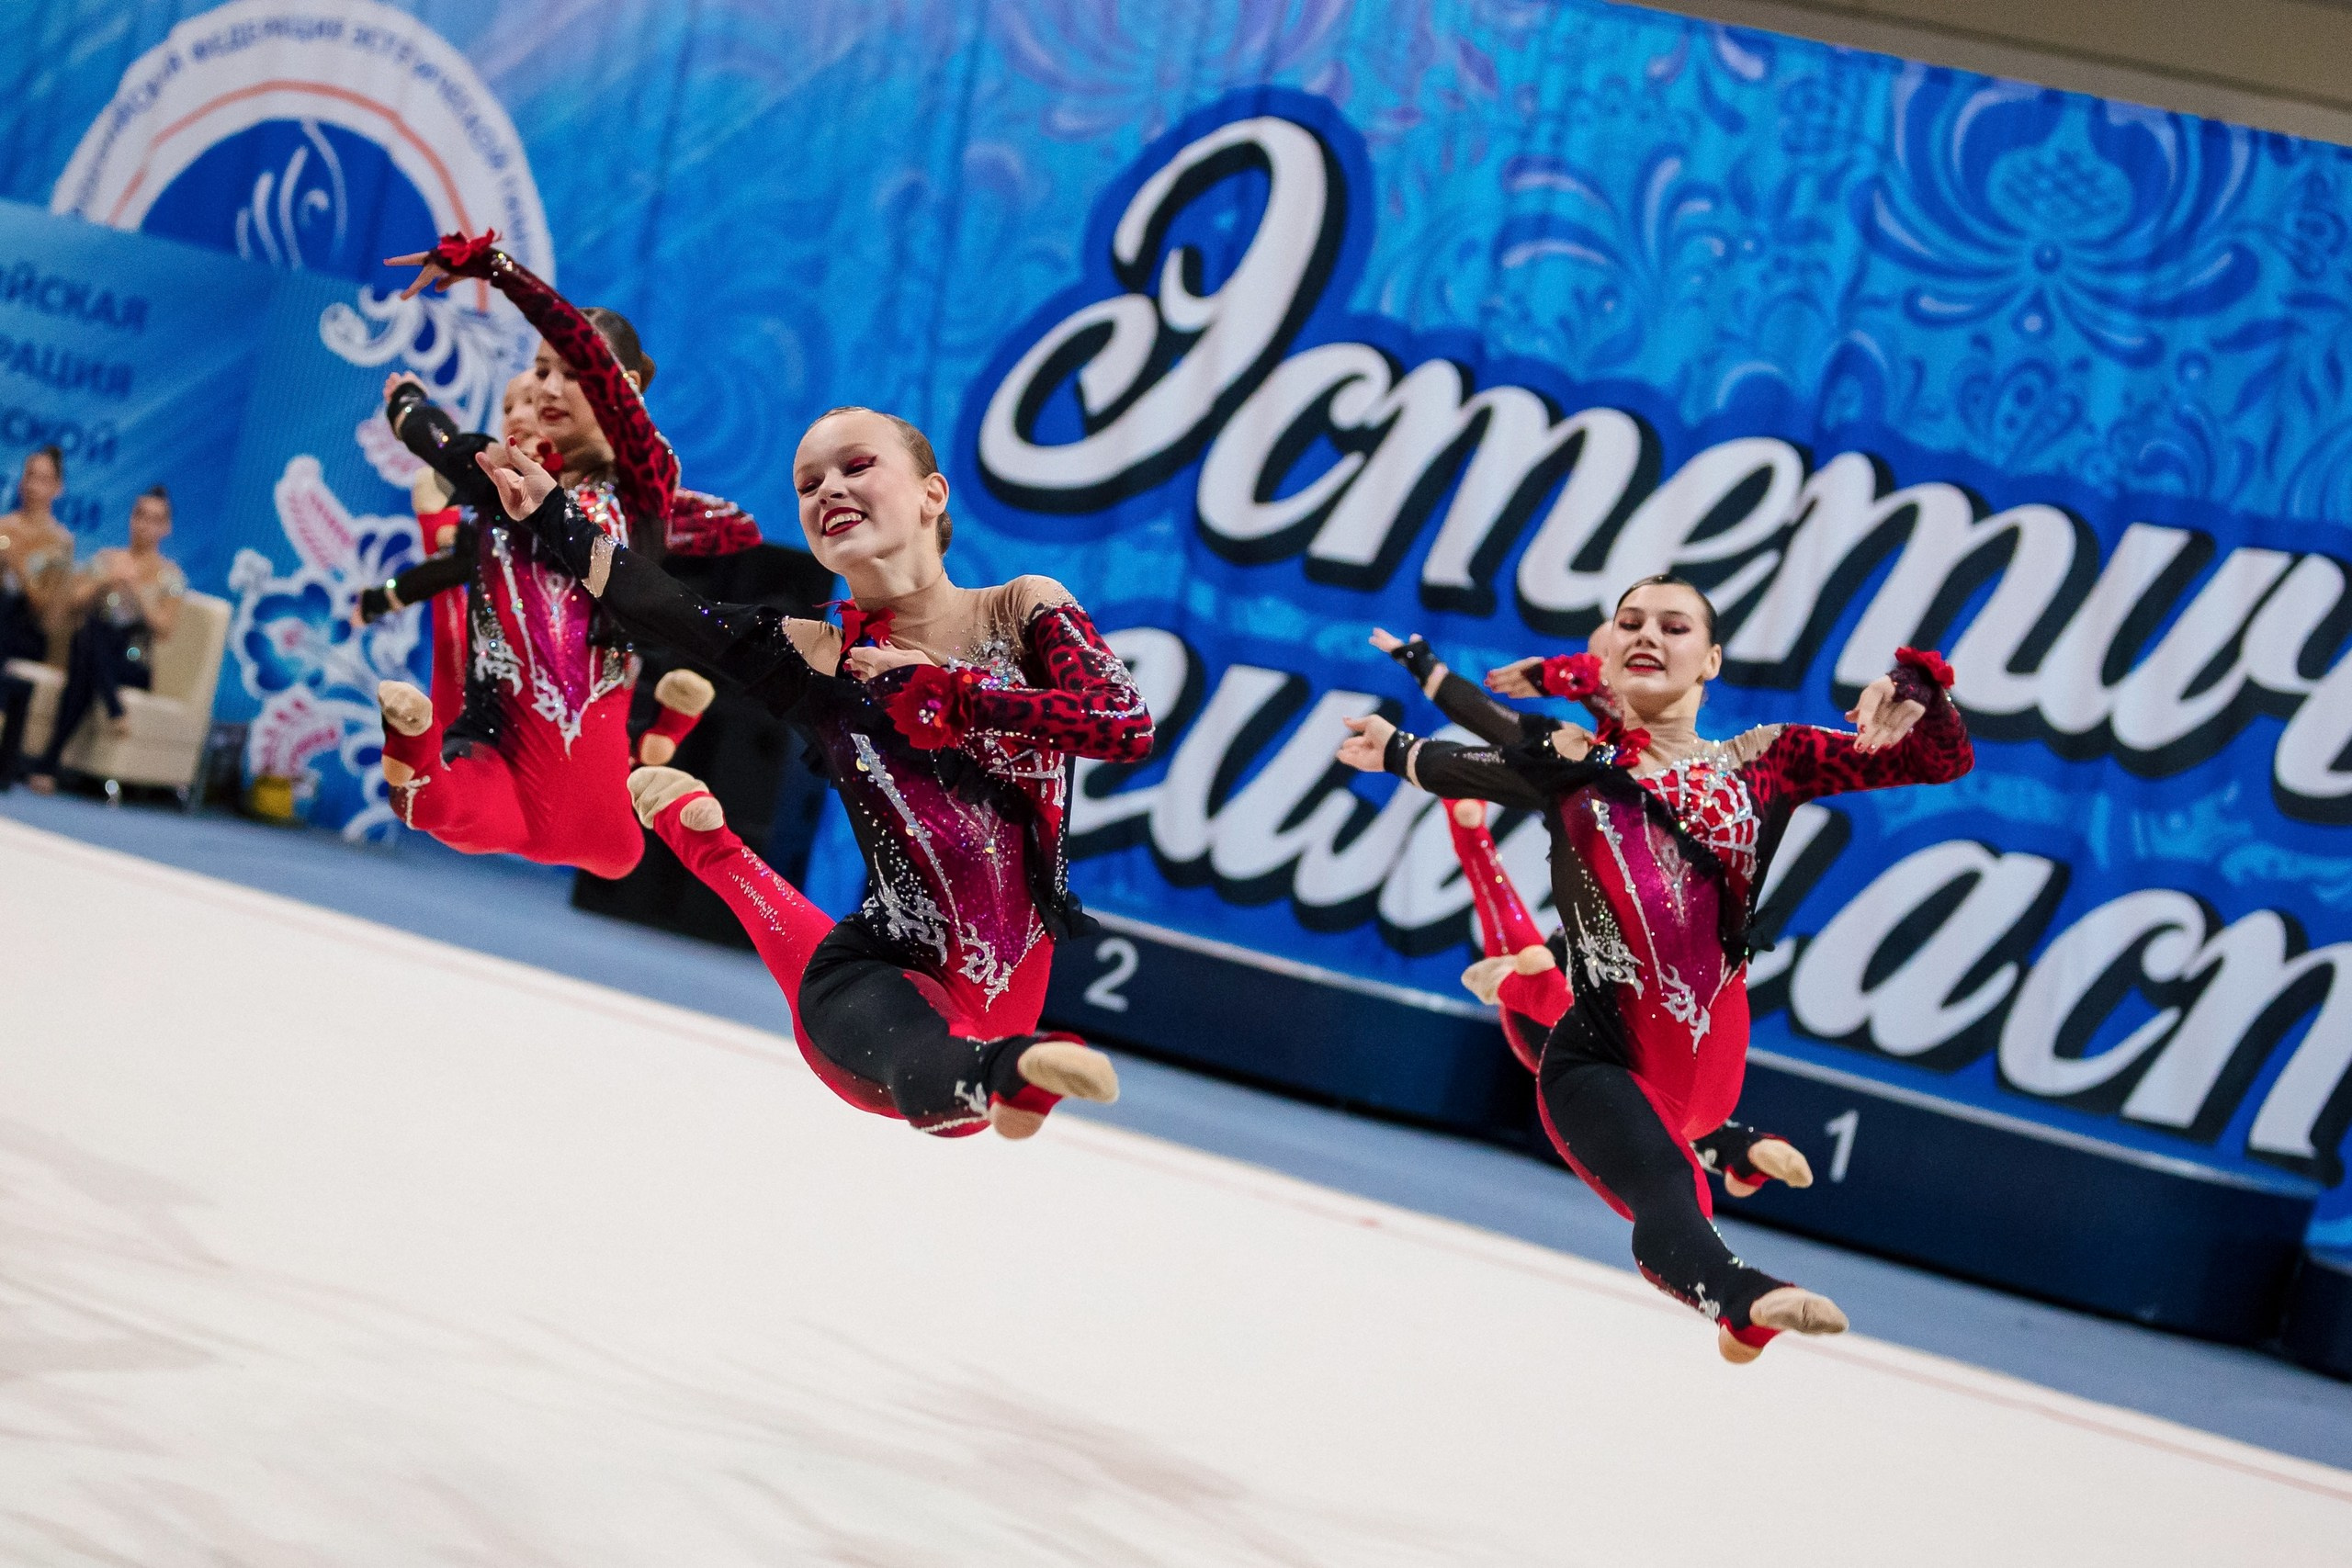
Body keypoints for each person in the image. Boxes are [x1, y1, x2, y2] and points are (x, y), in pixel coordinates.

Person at [469, 405, 1154, 1141]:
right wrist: (549, 511)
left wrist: (956, 694)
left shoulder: (1024, 609)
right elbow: (661, 606)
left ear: (933, 494)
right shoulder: (815, 656)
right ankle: (1006, 1075)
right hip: (872, 981)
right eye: (807, 483)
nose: (827, 489)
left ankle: (704, 840)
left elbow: (1125, 724)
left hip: (1002, 993)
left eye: (856, 466)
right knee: (929, 1066)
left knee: (956, 1102)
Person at [1340, 576, 1973, 1361]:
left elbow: (1943, 759)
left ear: (1710, 660)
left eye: (1673, 626)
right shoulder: (1570, 759)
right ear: (1605, 663)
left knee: (1662, 1126)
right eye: (1630, 621)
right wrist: (1396, 748)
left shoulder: (1769, 761)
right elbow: (1470, 756)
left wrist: (1918, 691)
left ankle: (1714, 1140)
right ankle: (1742, 1297)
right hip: (1595, 1061)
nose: (1647, 634)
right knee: (1673, 1198)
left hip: (1711, 1068)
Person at [1377, 628, 1813, 1201]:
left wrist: (1430, 668)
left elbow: (1499, 721)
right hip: (1639, 964)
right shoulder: (1670, 760)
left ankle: (1512, 950)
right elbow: (1506, 722)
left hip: (1606, 966)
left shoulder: (1592, 754)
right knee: (1641, 1079)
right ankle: (1732, 1149)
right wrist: (1435, 670)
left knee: (1590, 1044)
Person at [360, 231, 744, 876]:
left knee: (623, 852)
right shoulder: (508, 477)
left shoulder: (646, 482)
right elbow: (448, 446)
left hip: (591, 793)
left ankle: (656, 743)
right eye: (541, 370)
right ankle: (416, 741)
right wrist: (406, 408)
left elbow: (598, 373)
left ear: (621, 389)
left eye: (571, 371)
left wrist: (498, 269)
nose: (549, 386)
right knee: (429, 807)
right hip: (499, 755)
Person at [25, 487, 185, 793]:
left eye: (154, 520)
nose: (145, 526)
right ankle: (114, 708)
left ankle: (48, 762)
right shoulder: (107, 559)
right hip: (94, 650)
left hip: (134, 657)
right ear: (131, 519)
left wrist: (136, 590)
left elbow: (165, 630)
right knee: (90, 633)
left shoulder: (170, 574)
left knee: (90, 641)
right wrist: (105, 581)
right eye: (140, 516)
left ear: (166, 528)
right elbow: (72, 603)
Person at [0, 446, 74, 786]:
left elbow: (44, 609)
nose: (33, 486)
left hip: (26, 630)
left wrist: (16, 564)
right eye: (30, 476)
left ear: (57, 488)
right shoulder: (4, 525)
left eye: (43, 479)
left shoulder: (59, 543)